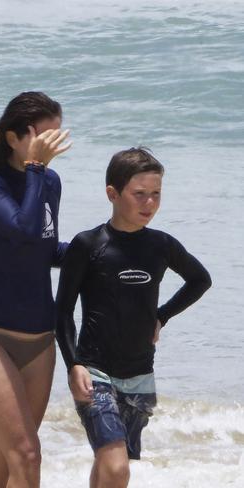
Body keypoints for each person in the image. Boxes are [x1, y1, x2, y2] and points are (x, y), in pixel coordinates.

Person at [55, 147, 211, 488]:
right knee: (117, 467)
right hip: (95, 372)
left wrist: (162, 316)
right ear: (113, 193)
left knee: (109, 463)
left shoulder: (161, 245)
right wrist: (73, 364)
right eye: (139, 194)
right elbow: (62, 310)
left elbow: (200, 280)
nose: (149, 203)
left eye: (156, 194)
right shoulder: (89, 244)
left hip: (140, 375)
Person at [0, 91, 72, 488]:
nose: (52, 146)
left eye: (56, 137)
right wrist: (36, 168)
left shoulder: (49, 182)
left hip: (39, 341)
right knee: (27, 454)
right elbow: (22, 231)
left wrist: (101, 249)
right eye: (44, 137)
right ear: (12, 138)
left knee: (1, 470)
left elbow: (44, 247)